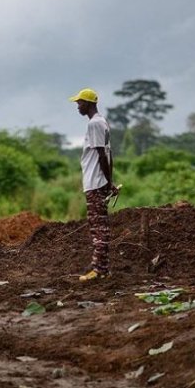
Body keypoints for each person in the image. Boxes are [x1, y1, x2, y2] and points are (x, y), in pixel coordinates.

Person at [69, 88, 119, 281]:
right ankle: (102, 267)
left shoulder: (94, 124)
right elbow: (109, 155)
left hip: (95, 183)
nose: (78, 106)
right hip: (99, 182)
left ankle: (99, 270)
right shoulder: (103, 122)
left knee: (99, 227)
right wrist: (110, 182)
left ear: (89, 104)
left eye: (80, 103)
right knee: (99, 225)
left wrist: (106, 182)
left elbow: (101, 156)